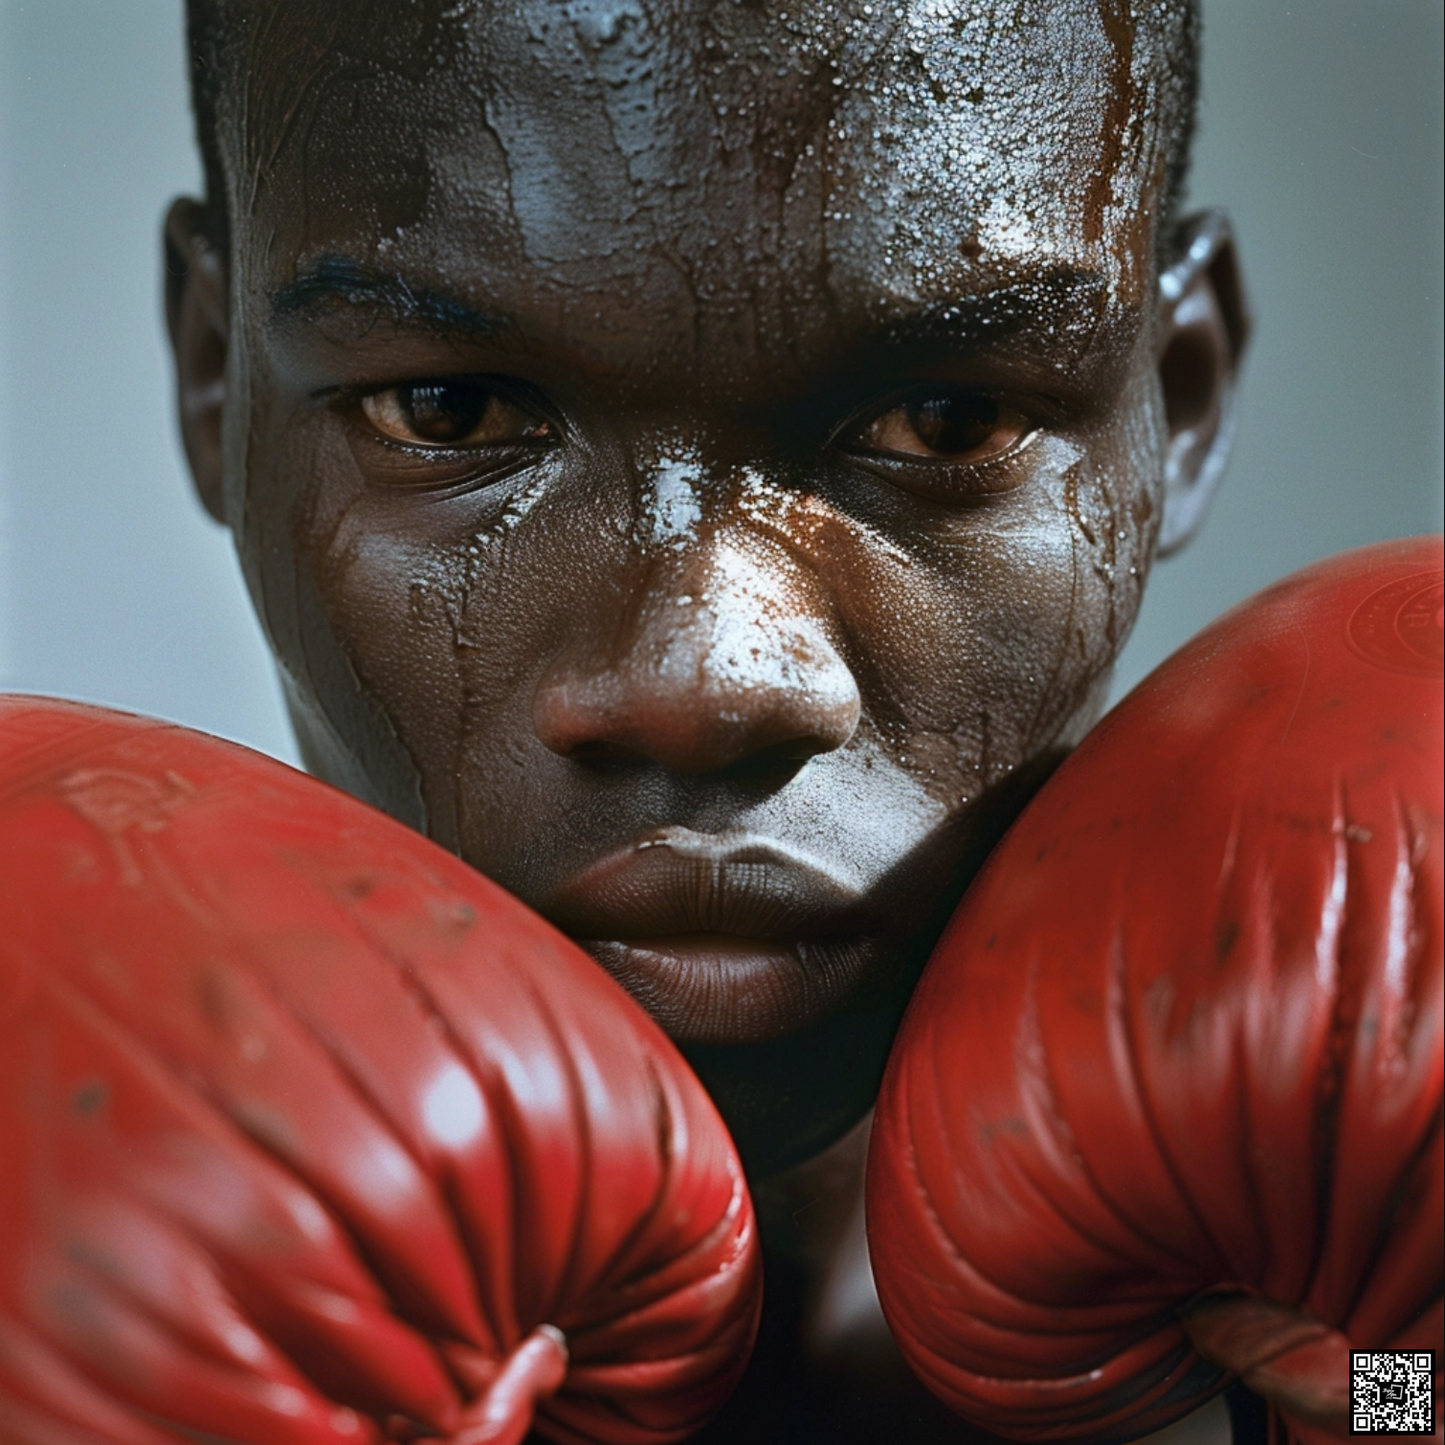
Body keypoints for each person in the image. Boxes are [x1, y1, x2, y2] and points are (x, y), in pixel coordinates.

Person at [163, 1, 1247, 1437]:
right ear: (214, 375)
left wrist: (1380, 1391)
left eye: (943, 419)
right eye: (453, 408)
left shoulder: (1339, 1327)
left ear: (1172, 402)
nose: (713, 680)